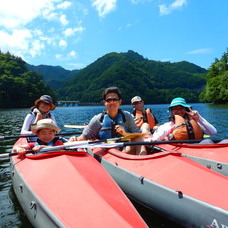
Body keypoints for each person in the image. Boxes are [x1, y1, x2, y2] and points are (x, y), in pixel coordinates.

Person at [69, 86, 147, 155]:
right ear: (104, 102)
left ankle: (143, 164)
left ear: (120, 101)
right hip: (108, 152)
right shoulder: (98, 120)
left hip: (126, 150)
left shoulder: (127, 116)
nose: (112, 102)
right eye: (109, 100)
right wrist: (75, 139)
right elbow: (85, 137)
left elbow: (137, 136)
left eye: (115, 99)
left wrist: (125, 133)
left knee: (139, 139)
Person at [150, 97, 217, 141]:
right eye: (175, 109)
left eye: (181, 108)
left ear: (186, 109)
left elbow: (213, 132)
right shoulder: (169, 125)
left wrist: (199, 118)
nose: (179, 111)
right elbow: (155, 139)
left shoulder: (196, 122)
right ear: (172, 111)